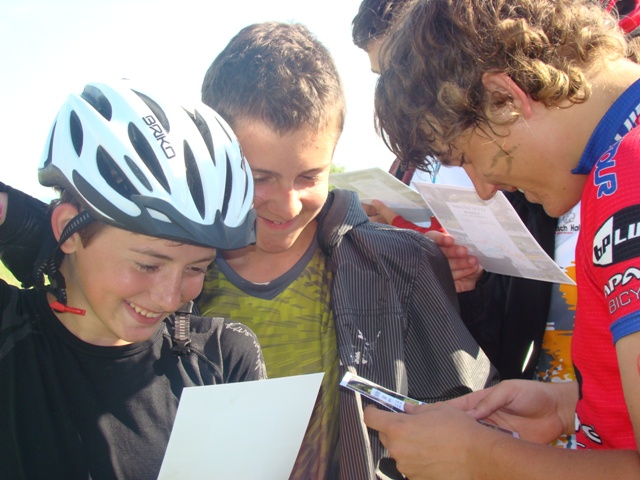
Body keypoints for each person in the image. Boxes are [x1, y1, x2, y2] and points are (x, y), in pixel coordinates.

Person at [198, 21, 497, 479]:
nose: (288, 204)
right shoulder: (170, 275)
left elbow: (472, 414)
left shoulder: (398, 266)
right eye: (260, 178)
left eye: (309, 177)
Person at [363, 0, 640, 477]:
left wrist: (483, 458)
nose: (484, 187)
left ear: (504, 98)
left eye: (467, 158)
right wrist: (569, 405)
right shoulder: (615, 165)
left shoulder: (629, 174)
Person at [0, 80, 266, 480]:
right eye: (148, 265)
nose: (170, 298)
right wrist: (24, 223)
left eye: (197, 268)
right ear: (69, 231)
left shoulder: (225, 357)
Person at [352, 0, 578, 386]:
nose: (396, 92)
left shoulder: (534, 156)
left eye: (401, 69)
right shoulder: (408, 164)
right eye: (382, 76)